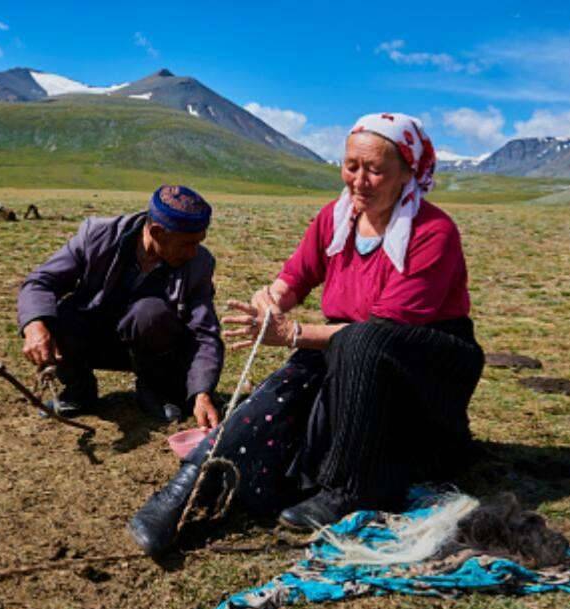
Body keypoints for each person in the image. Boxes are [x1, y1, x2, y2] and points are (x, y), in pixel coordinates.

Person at [129, 113, 485, 556]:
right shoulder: (335, 219)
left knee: (359, 343)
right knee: (285, 389)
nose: (359, 180)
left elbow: (385, 331)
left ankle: (352, 488)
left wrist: (293, 332)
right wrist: (271, 299)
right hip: (350, 349)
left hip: (422, 365)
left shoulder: (433, 232)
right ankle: (185, 490)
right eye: (351, 165)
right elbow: (296, 277)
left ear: (408, 173)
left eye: (375, 170)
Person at [17, 185, 224, 426]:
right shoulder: (97, 236)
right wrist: (34, 324)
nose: (193, 252)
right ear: (156, 232)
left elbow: (204, 332)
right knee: (61, 313)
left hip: (157, 349)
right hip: (93, 337)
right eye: (187, 244)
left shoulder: (199, 263)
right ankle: (79, 390)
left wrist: (201, 392)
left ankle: (154, 391)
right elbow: (41, 282)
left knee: (150, 313)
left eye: (198, 242)